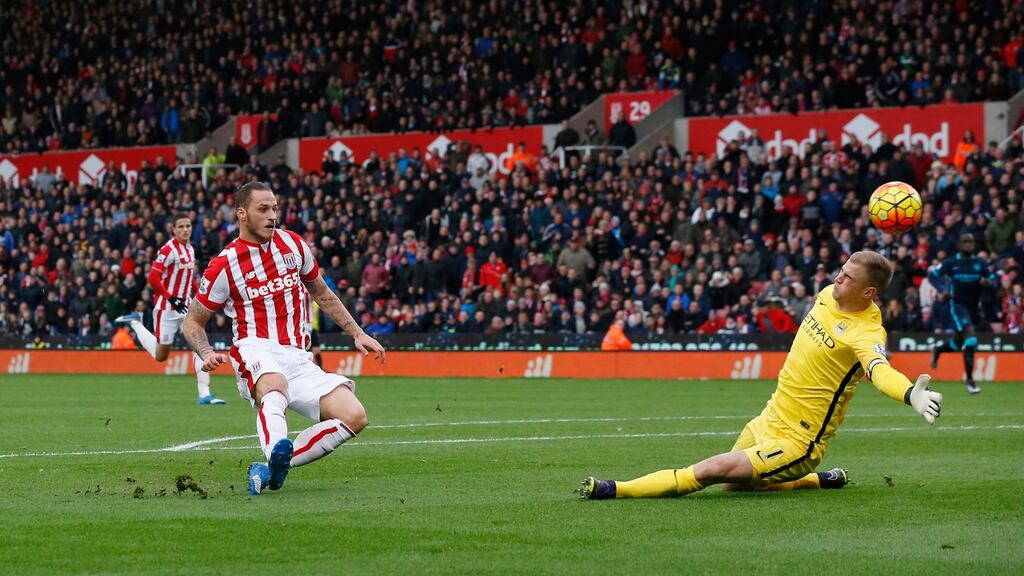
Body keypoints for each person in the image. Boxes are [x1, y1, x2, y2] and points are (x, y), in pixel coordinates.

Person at [579, 251, 943, 500]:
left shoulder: (866, 333)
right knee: (733, 487)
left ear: (868, 292)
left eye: (847, 277)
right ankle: (818, 482)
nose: (837, 278)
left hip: (798, 442)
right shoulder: (828, 296)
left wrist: (911, 393)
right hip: (768, 417)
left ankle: (615, 489)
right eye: (840, 270)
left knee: (711, 470)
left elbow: (880, 372)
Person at [182, 182, 386, 496]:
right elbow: (193, 322)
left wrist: (357, 332)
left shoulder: (293, 245)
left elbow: (322, 293)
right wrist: (206, 351)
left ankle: (272, 467)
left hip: (298, 355)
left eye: (274, 208)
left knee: (355, 416)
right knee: (274, 385)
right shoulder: (225, 264)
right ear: (242, 213)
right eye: (263, 209)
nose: (272, 215)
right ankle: (275, 449)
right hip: (255, 347)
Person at [115, 213, 225, 405]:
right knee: (161, 356)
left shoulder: (190, 249)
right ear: (173, 229)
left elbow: (187, 277)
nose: (185, 230)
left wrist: (199, 294)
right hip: (166, 307)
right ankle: (135, 322)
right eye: (181, 226)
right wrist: (170, 297)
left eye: (188, 226)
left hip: (186, 307)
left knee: (199, 343)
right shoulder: (167, 250)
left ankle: (204, 394)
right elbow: (153, 279)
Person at [928, 233, 998, 394]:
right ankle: (970, 382)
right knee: (971, 336)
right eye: (965, 242)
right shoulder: (951, 263)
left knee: (959, 341)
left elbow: (994, 277)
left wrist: (990, 282)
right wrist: (942, 289)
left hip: (974, 307)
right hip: (956, 305)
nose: (968, 244)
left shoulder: (980, 263)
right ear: (959, 245)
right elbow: (933, 275)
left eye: (971, 242)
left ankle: (939, 350)